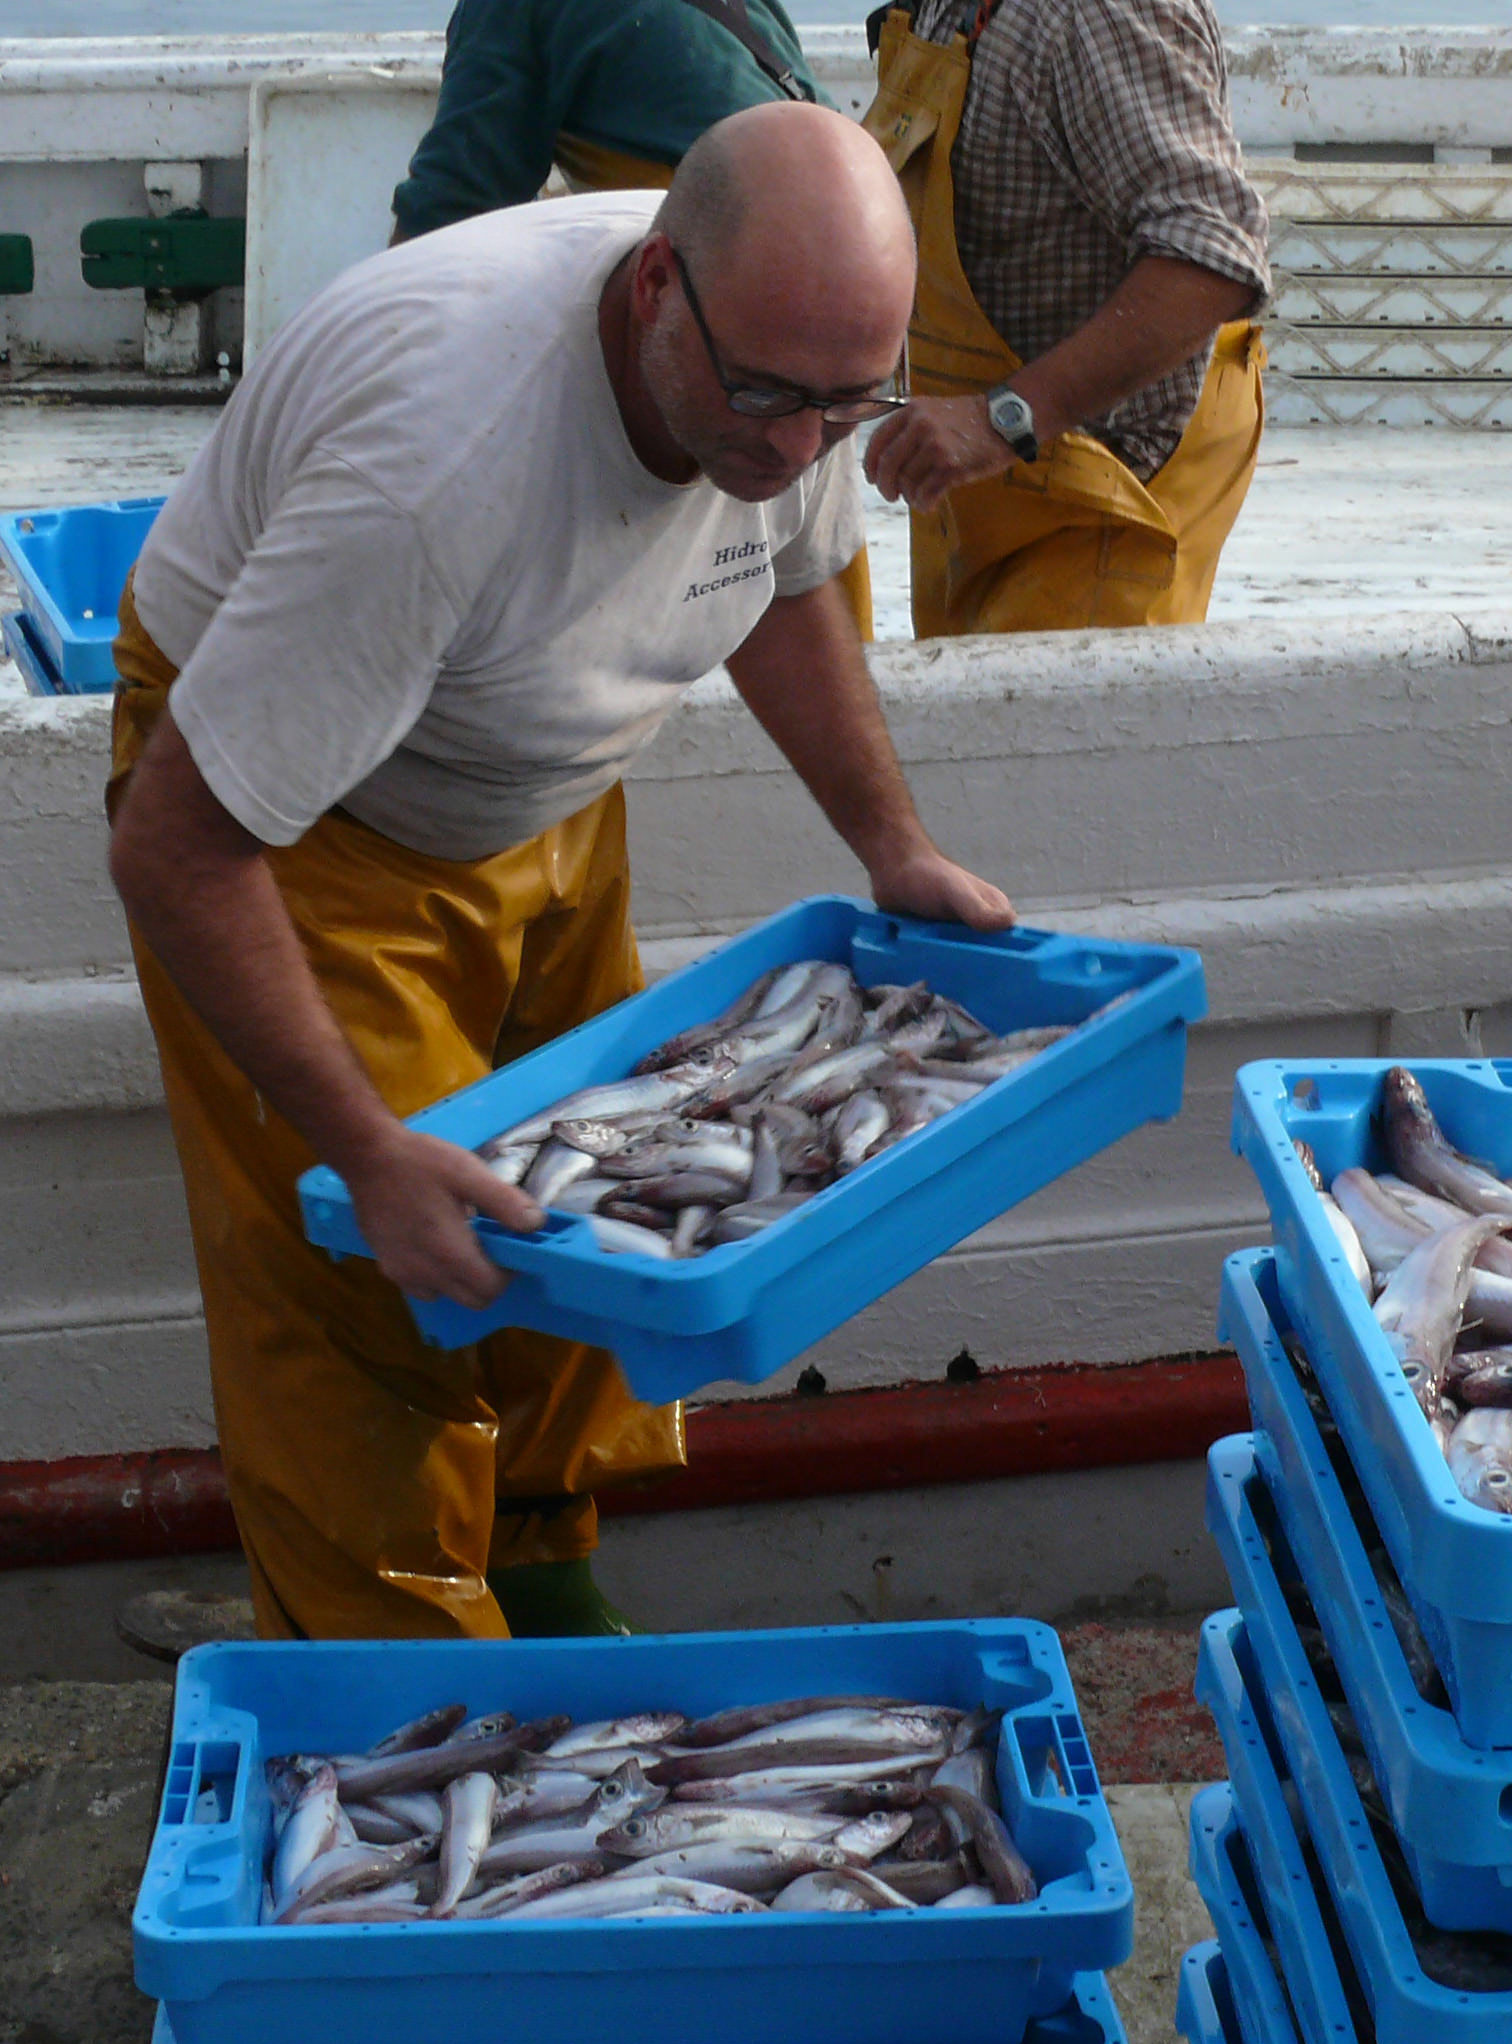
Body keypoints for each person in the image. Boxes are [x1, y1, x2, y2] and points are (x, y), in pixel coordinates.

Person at [106, 105, 1012, 1646]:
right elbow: (175, 847)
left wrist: (893, 845)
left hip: (541, 790)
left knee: (590, 1207)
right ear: (657, 287)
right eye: (768, 398)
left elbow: (785, 583)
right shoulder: (432, 471)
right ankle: (396, 1702)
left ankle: (540, 1580)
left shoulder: (789, 357)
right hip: (299, 831)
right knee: (378, 1278)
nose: (799, 448)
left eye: (849, 405)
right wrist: (366, 1151)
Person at [390, 0, 876, 642]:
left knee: (731, 594)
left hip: (732, 340)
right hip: (825, 304)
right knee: (815, 603)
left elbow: (442, 237)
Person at [859, 0, 1273, 638]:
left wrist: (1004, 419)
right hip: (981, 498)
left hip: (1099, 504)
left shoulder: (1095, 15)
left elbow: (1211, 260)